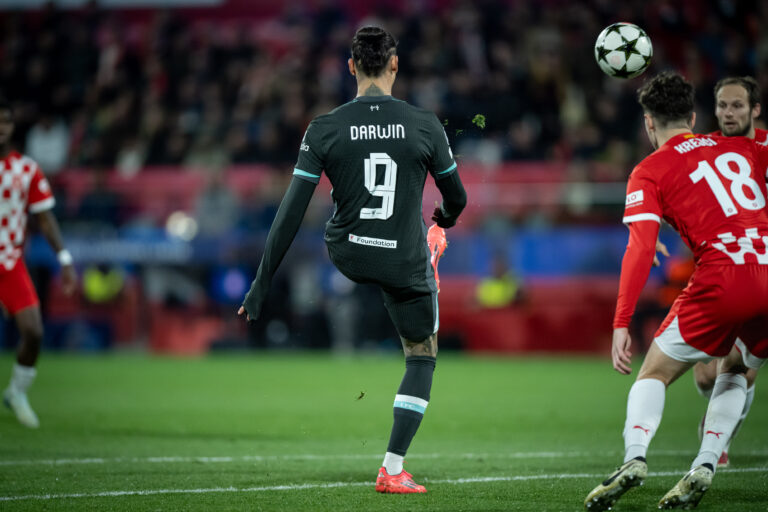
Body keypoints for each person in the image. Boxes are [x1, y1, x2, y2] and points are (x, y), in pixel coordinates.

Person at [238, 26, 466, 494]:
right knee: (422, 355)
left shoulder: (324, 127)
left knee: (346, 228)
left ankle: (420, 249)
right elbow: (456, 199)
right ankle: (393, 467)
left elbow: (290, 212)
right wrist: (444, 218)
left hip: (347, 252)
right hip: (402, 258)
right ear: (395, 66)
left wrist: (261, 282)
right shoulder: (425, 124)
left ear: (351, 68)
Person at [583, 72, 768, 511]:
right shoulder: (738, 145)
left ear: (648, 123)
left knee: (654, 373)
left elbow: (640, 249)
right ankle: (706, 461)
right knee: (735, 371)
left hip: (723, 276)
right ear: (694, 115)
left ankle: (634, 458)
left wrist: (621, 322)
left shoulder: (649, 170)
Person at [689, 76, 766, 468]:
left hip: (762, 272)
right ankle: (715, 428)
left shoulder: (767, 149)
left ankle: (717, 444)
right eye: (722, 105)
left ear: (754, 109)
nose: (728, 113)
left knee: (742, 371)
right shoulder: (705, 151)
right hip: (720, 270)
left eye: (737, 105)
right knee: (706, 377)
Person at [0, 99, 77, 428]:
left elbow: (45, 219)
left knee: (33, 331)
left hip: (9, 261)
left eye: (5, 121)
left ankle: (17, 392)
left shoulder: (26, 169)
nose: (1, 127)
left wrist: (65, 259)